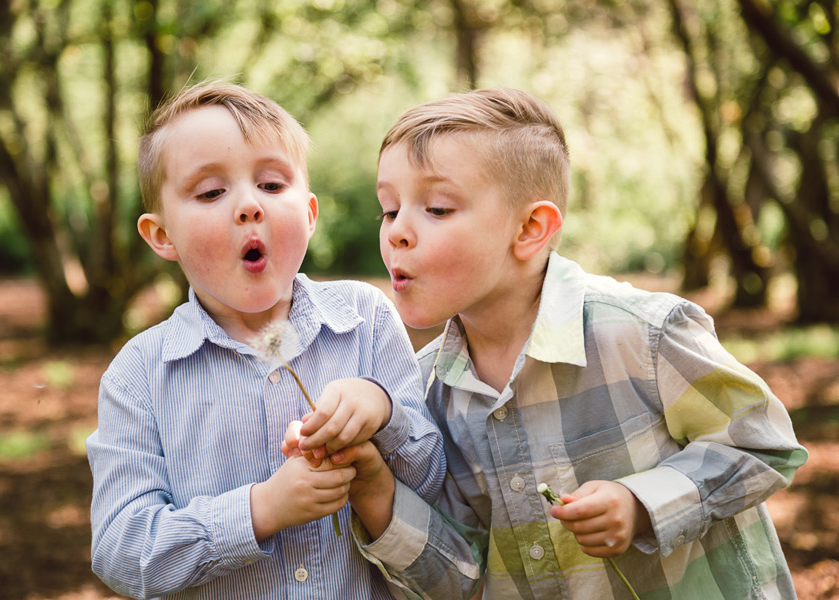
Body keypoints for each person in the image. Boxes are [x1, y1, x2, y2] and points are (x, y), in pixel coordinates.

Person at [335, 87, 808, 599]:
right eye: (388, 209)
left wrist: (640, 502)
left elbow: (763, 440)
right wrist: (377, 492)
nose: (397, 232)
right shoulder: (425, 392)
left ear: (531, 229)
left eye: (438, 207)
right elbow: (461, 580)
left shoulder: (641, 335)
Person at [84, 79, 445, 600]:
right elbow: (121, 551)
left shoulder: (365, 320)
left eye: (273, 186)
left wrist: (385, 410)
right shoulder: (139, 374)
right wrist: (260, 510)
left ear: (310, 214)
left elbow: (434, 482)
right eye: (211, 192)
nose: (249, 205)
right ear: (161, 235)